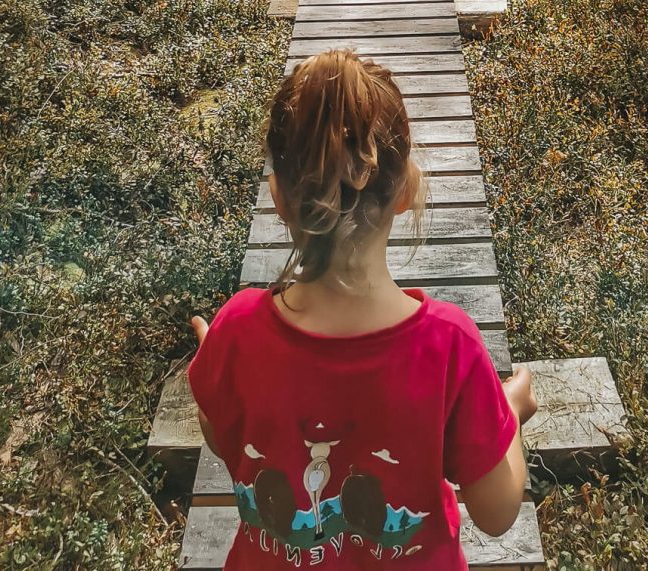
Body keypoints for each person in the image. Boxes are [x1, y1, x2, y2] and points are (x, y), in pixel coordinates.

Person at [189, 49, 537, 568]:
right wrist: (505, 414)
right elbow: (498, 511)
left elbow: (222, 440)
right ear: (404, 191)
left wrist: (221, 354)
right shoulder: (449, 346)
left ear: (279, 197)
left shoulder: (237, 329)